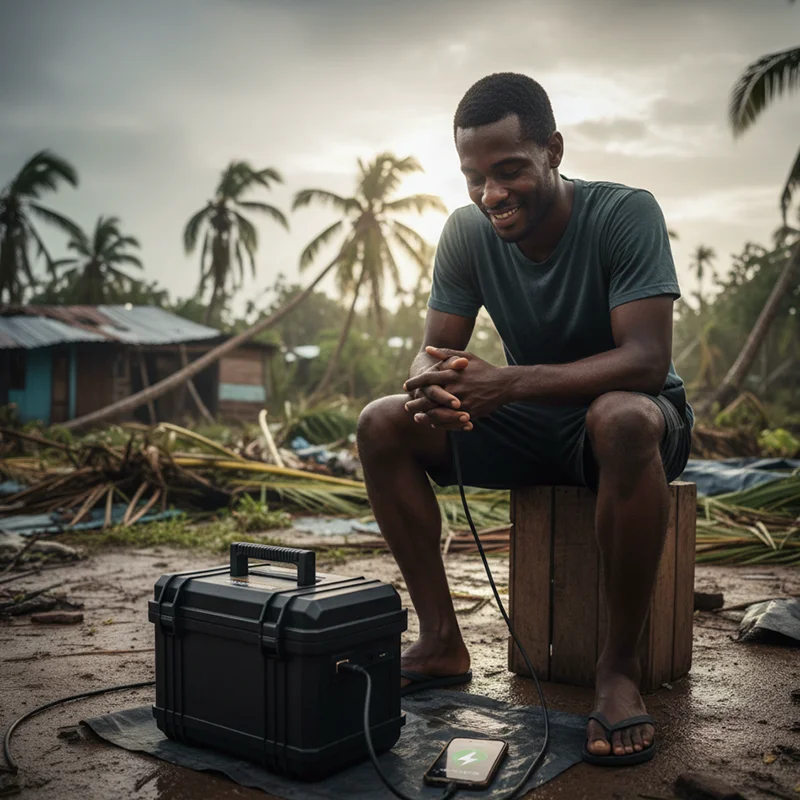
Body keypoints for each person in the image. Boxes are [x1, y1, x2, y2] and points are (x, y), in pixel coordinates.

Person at [357, 72, 692, 767]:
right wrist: (430, 387)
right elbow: (435, 350)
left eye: (509, 171)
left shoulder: (624, 213)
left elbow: (646, 361)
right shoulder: (466, 232)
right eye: (474, 177)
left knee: (621, 419)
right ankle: (441, 641)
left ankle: (619, 669)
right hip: (534, 421)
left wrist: (506, 382)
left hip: (635, 427)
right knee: (382, 422)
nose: (491, 195)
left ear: (554, 152)